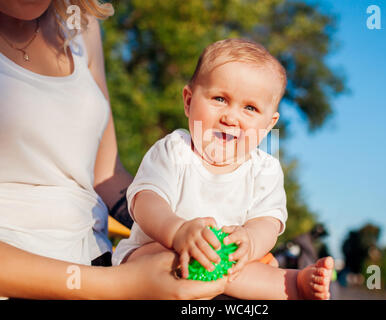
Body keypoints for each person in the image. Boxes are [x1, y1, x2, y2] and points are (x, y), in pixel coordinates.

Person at [0, 0, 226, 299]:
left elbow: (106, 175)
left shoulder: (80, 26)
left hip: (98, 259)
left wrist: (193, 234)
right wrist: (118, 285)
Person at [112, 39, 335, 300]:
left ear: (267, 125)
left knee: (253, 266)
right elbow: (146, 201)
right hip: (157, 252)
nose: (230, 118)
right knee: (167, 259)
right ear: (188, 101)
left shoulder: (264, 169)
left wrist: (250, 241)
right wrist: (177, 231)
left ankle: (295, 284)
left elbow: (268, 222)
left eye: (250, 108)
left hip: (224, 262)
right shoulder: (175, 150)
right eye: (220, 99)